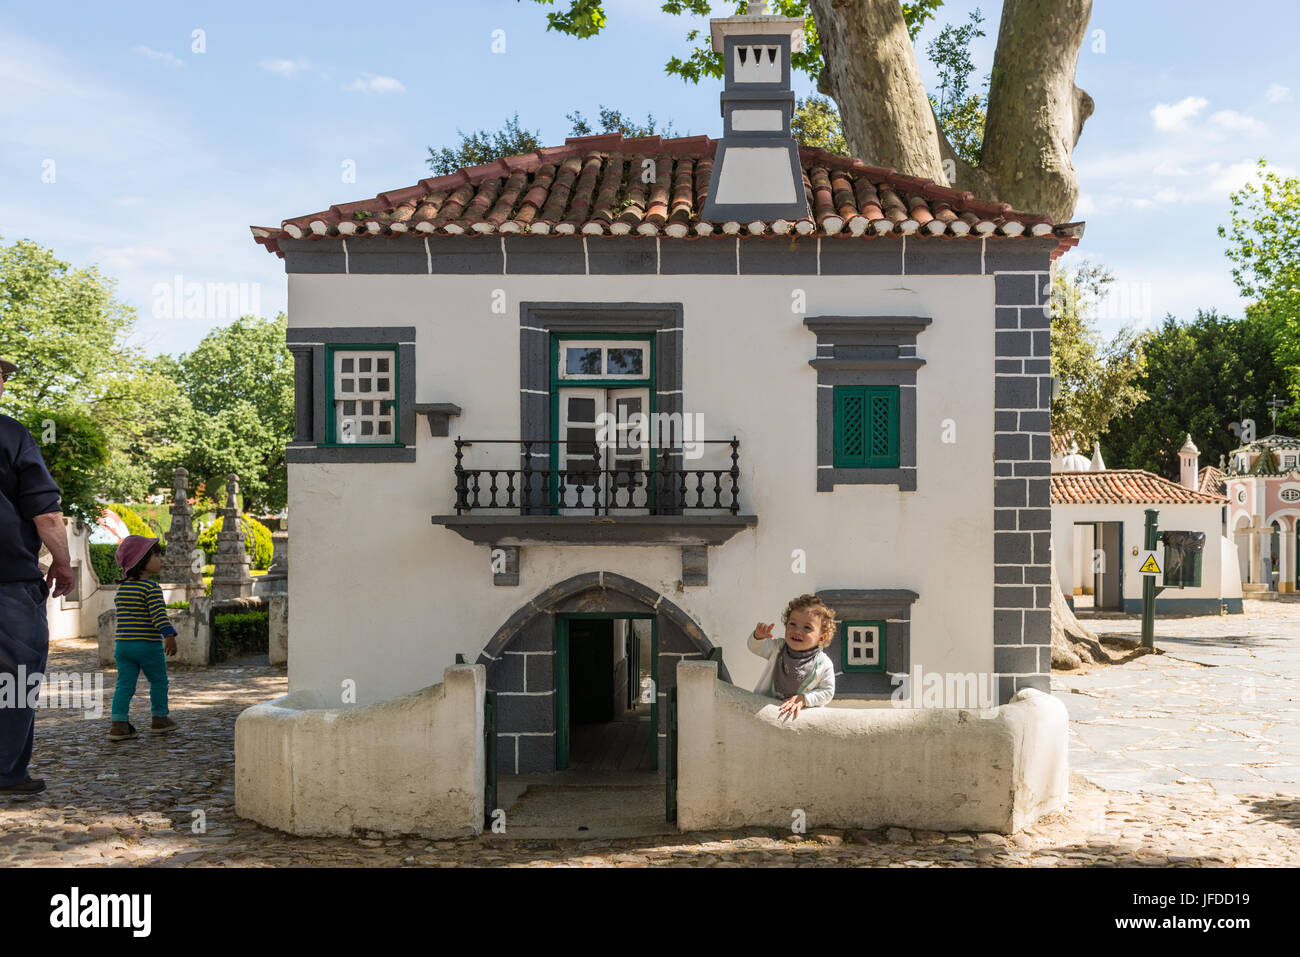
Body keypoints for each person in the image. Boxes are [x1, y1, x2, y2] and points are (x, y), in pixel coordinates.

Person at [0, 356, 74, 797]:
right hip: (8, 586)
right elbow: (45, 513)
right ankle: (6, 774)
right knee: (14, 678)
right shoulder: (10, 434)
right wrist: (62, 563)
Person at [109, 535, 179, 741]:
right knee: (158, 681)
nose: (161, 559)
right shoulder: (151, 588)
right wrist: (169, 635)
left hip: (123, 646)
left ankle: (119, 724)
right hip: (148, 646)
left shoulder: (122, 589)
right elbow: (159, 616)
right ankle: (160, 719)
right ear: (141, 560)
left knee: (124, 684)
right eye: (156, 555)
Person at [748, 593, 836, 720]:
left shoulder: (823, 663)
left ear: (821, 638)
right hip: (768, 711)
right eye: (792, 624)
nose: (797, 631)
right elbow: (755, 647)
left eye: (807, 627)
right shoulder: (777, 647)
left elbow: (827, 692)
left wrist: (805, 699)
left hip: (799, 717)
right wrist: (758, 637)